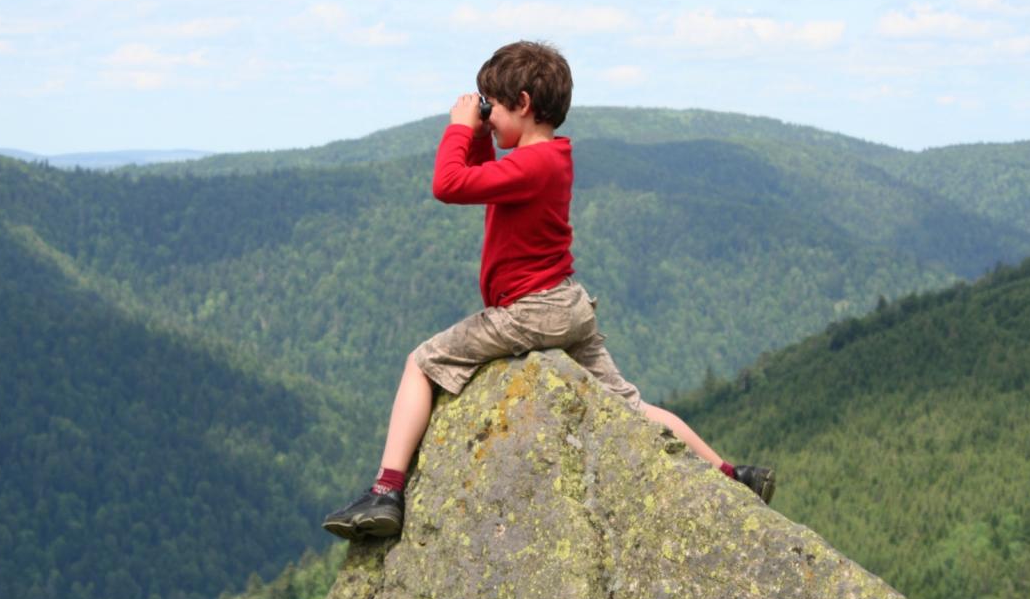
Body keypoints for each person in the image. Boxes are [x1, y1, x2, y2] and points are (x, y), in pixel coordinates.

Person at [322, 41, 774, 540]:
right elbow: (478, 173)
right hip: (567, 305)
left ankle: (386, 491)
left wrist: (457, 127)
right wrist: (477, 131)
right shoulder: (545, 159)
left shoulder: (533, 165)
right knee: (629, 404)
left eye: (494, 106)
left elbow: (449, 184)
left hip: (532, 310)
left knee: (423, 362)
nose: (488, 117)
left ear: (522, 102)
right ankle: (732, 475)